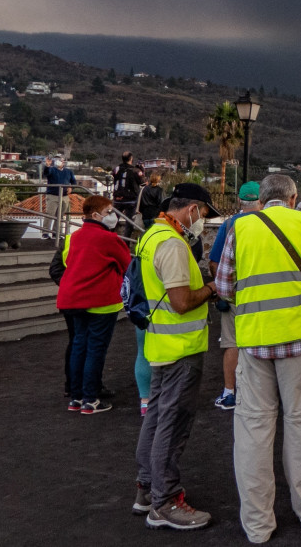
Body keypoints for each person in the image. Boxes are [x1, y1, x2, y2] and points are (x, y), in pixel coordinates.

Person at [215, 174, 301, 541]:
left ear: (262, 198)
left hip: (253, 343)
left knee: (253, 429)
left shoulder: (240, 228)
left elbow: (223, 286)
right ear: (293, 197)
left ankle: (257, 525)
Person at [133, 183, 220, 530]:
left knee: (155, 418)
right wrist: (212, 289)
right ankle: (165, 501)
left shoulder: (152, 236)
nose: (204, 221)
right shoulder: (171, 244)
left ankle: (146, 488)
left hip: (161, 345)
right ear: (192, 208)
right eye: (205, 214)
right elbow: (181, 302)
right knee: (172, 424)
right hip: (181, 349)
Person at [56, 196, 131, 414]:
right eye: (109, 211)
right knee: (95, 349)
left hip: (72, 299)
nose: (113, 215)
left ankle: (76, 397)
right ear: (95, 215)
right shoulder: (110, 239)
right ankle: (91, 399)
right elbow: (128, 266)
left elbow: (67, 263)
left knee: (79, 345)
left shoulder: (73, 237)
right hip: (101, 301)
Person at [208, 181, 262, 410]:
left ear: (240, 200)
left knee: (232, 343)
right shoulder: (268, 224)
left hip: (235, 294)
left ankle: (229, 392)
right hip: (262, 293)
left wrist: (222, 289)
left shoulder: (229, 224)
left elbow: (214, 262)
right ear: (261, 200)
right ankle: (260, 392)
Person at [44, 157, 76, 239]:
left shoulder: (68, 172)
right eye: (58, 160)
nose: (60, 162)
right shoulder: (52, 170)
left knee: (60, 215)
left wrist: (71, 187)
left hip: (64, 196)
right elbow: (46, 173)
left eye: (61, 160)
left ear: (63, 162)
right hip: (52, 195)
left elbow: (74, 182)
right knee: (50, 214)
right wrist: (47, 166)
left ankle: (56, 233)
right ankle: (45, 233)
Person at [112, 151, 143, 221]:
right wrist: (141, 170)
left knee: (113, 220)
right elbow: (141, 182)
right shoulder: (135, 170)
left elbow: (113, 174)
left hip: (117, 197)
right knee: (130, 221)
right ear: (131, 158)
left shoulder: (116, 169)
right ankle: (127, 232)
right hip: (130, 199)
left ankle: (110, 231)